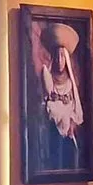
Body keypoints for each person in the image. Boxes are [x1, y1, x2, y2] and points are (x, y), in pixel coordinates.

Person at [32, 19, 86, 173]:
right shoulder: (46, 73)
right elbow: (51, 97)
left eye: (63, 57)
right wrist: (61, 106)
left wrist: (71, 119)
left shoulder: (70, 80)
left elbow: (73, 102)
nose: (60, 61)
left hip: (69, 123)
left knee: (70, 151)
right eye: (58, 56)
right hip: (54, 118)